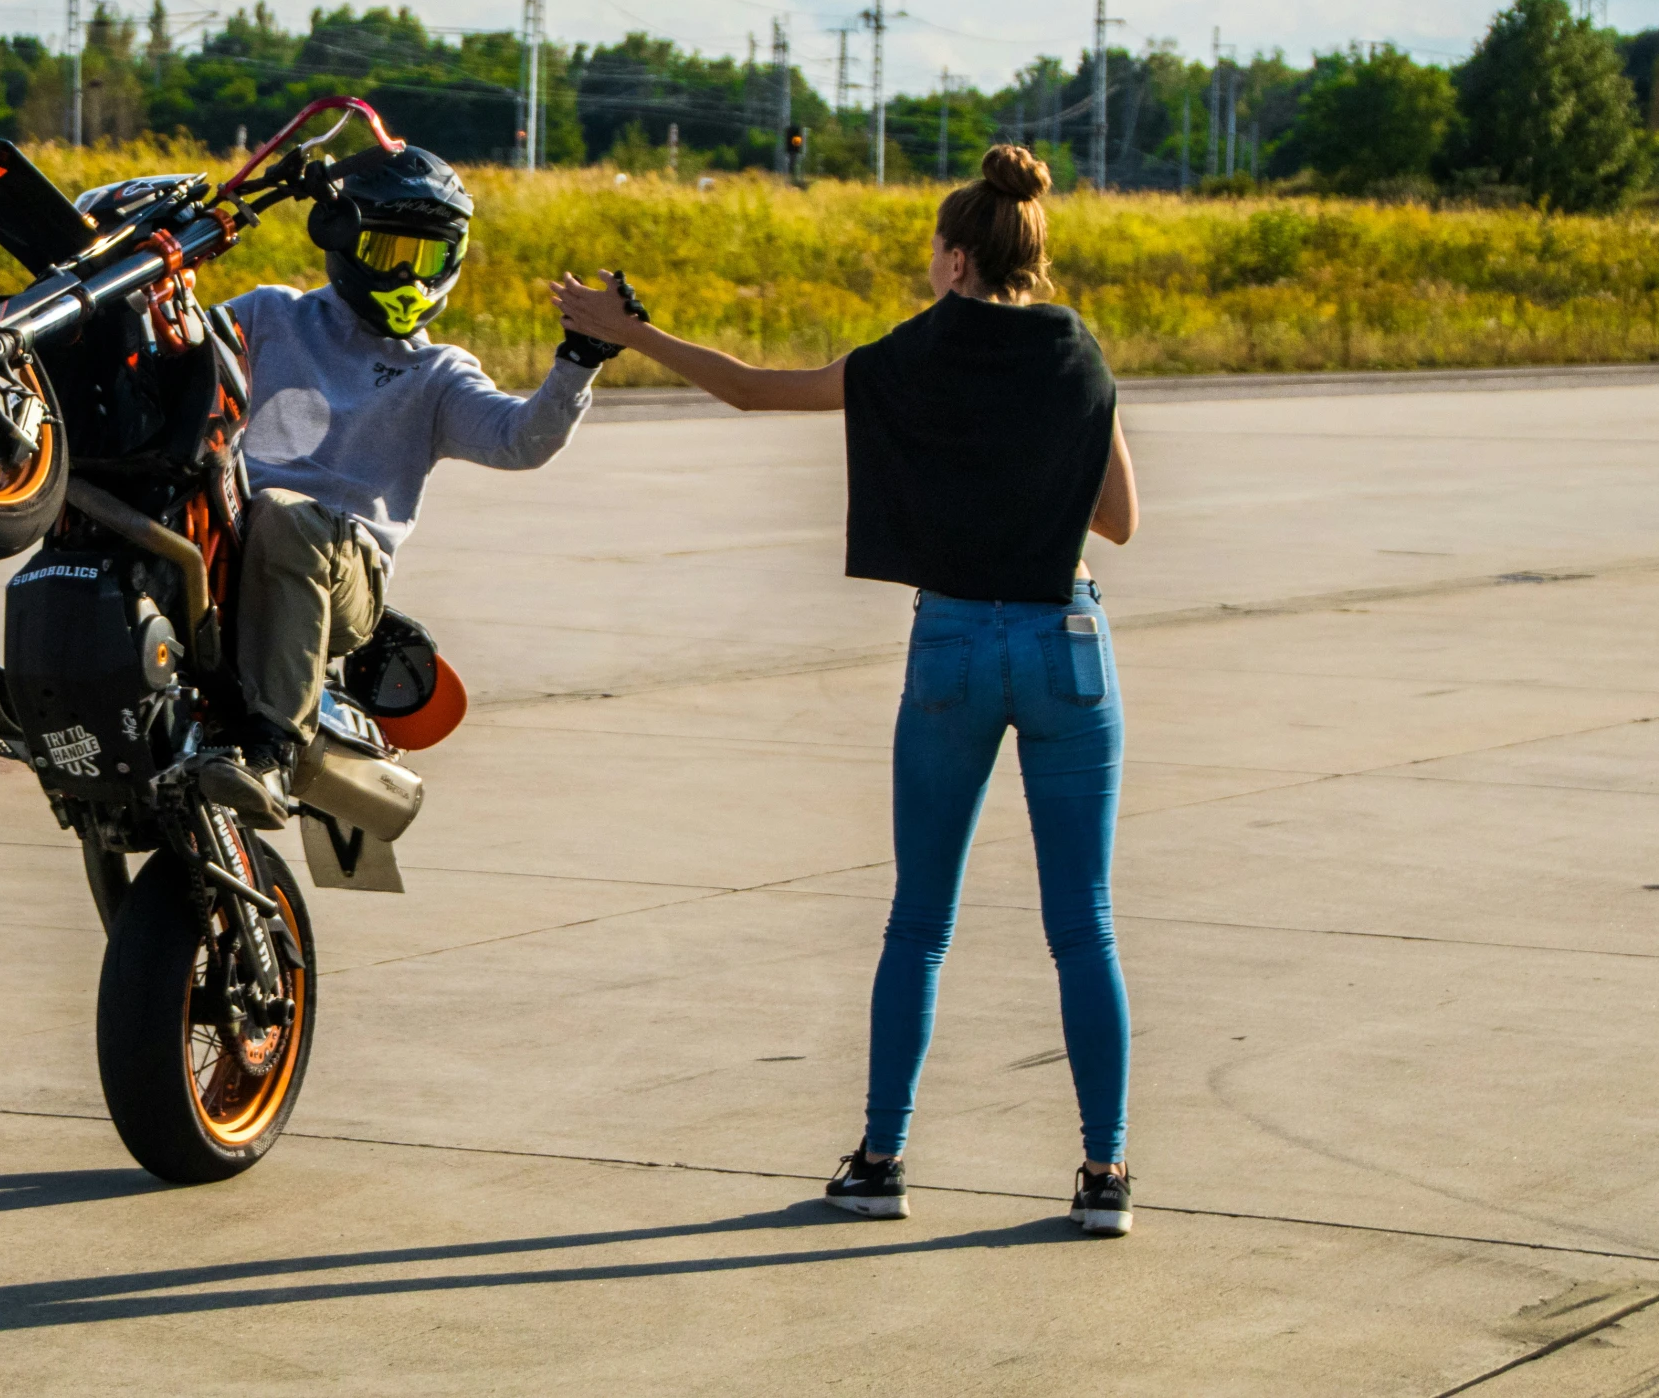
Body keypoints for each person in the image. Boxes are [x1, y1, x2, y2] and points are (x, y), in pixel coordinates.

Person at [549, 144, 1140, 1238]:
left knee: (919, 922)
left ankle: (880, 1161)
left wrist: (627, 330)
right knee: (1082, 925)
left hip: (955, 643)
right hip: (1068, 639)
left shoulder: (914, 354)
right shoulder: (1081, 356)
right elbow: (1119, 522)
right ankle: (1103, 1175)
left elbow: (749, 387)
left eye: (932, 253)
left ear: (958, 260)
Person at [206, 142, 623, 816]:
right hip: (227, 533)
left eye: (424, 259)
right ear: (344, 240)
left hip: (341, 573)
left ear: (450, 263)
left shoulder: (436, 374)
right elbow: (172, 355)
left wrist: (580, 359)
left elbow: (522, 441)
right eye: (390, 254)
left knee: (283, 515)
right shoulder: (267, 315)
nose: (407, 277)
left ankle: (271, 749)